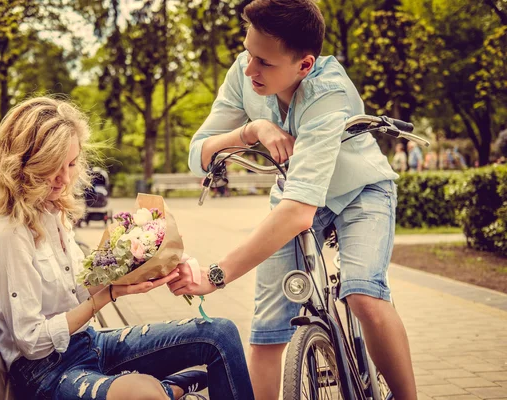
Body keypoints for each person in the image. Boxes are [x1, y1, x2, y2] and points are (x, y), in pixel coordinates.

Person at [167, 1, 417, 399]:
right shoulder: (243, 71)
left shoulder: (327, 94)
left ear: (304, 65)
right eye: (248, 54)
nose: (250, 70)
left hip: (360, 192)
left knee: (363, 294)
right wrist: (252, 130)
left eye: (264, 63)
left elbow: (299, 213)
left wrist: (216, 276)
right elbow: (199, 154)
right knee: (267, 330)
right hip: (294, 194)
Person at [0, 97, 254, 400]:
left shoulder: (49, 209)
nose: (64, 179)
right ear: (23, 164)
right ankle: (170, 389)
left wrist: (139, 264)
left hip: (87, 342)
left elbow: (78, 287)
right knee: (144, 394)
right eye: (53, 167)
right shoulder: (7, 232)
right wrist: (109, 295)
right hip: (47, 372)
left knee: (219, 334)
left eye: (72, 163)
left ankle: (170, 388)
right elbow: (32, 342)